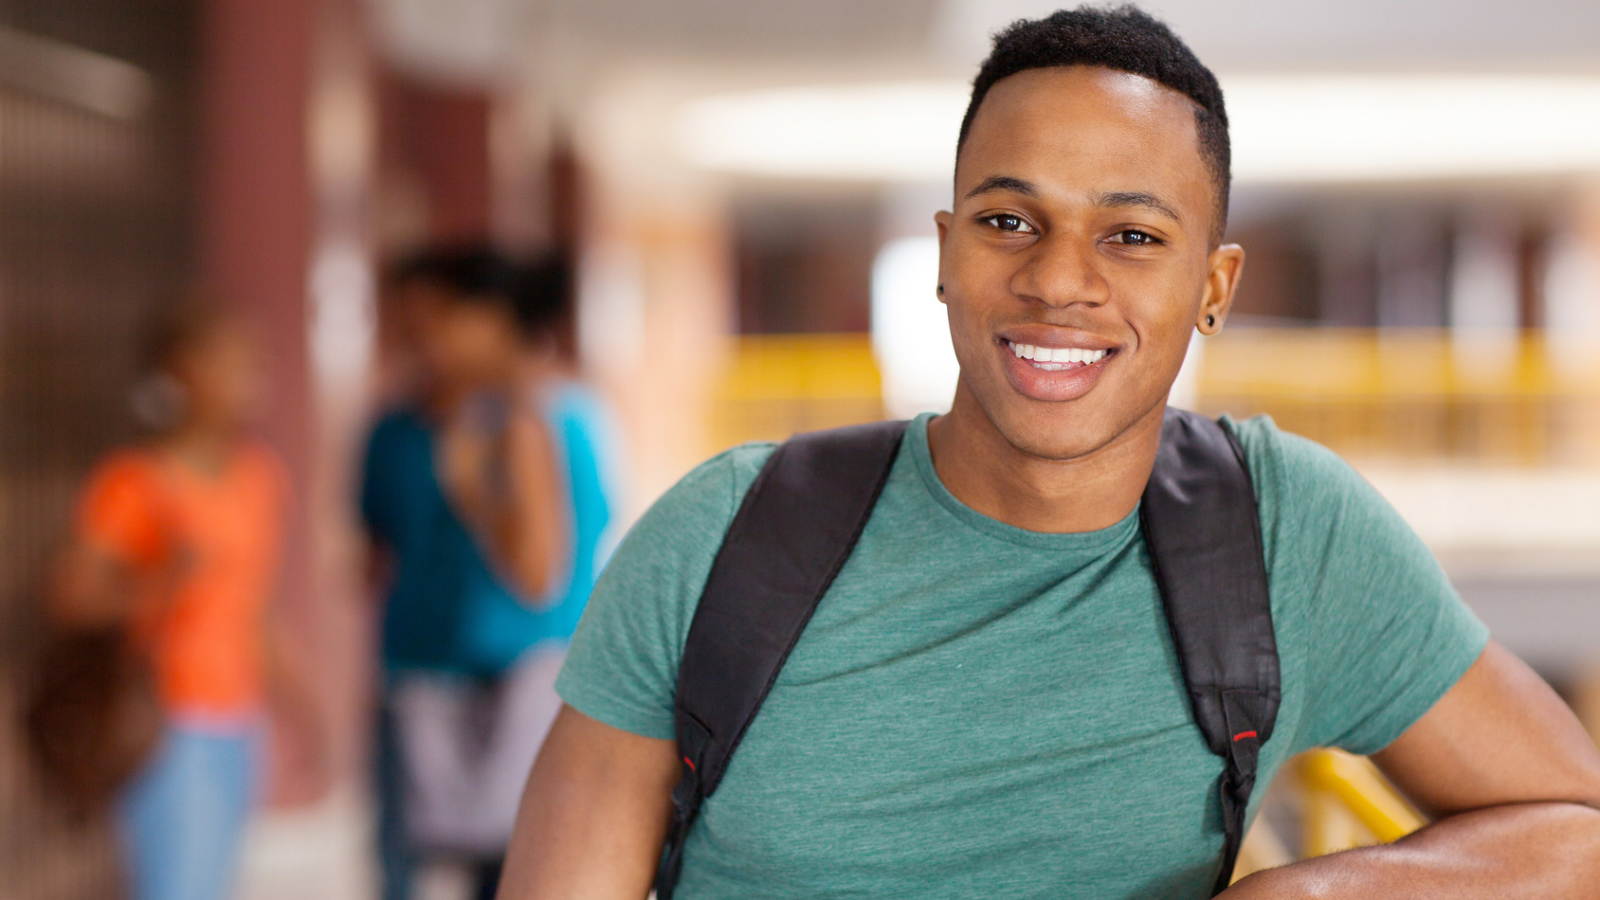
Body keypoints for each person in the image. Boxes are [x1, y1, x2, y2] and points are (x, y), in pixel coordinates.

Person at [497, 7, 1600, 900]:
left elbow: (1573, 830)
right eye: (1008, 222)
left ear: (1211, 288)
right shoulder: (725, 534)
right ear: (943, 252)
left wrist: (1309, 896)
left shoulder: (1286, 535)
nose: (1058, 281)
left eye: (1131, 236)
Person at [361, 246, 619, 900]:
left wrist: (475, 488)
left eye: (442, 318)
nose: (423, 338)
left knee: (507, 869)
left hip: (523, 683)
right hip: (430, 676)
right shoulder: (407, 427)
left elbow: (539, 573)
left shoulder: (532, 420)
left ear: (494, 321)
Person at [45, 300, 324, 900]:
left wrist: (303, 709)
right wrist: (159, 582)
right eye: (226, 361)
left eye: (250, 363)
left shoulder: (259, 477)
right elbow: (71, 597)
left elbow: (258, 612)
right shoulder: (135, 481)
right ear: (178, 372)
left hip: (238, 718)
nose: (245, 378)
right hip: (165, 720)